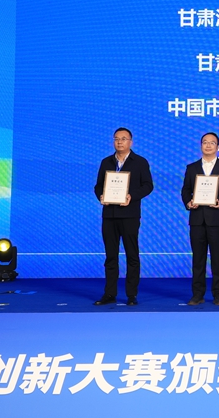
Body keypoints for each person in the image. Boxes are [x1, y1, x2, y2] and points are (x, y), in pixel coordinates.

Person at [93, 127, 154, 306]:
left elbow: (148, 185)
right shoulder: (106, 162)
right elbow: (98, 186)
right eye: (116, 139)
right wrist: (101, 196)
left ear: (130, 142)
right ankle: (109, 293)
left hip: (130, 215)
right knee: (110, 256)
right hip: (109, 215)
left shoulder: (140, 162)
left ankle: (131, 295)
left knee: (132, 255)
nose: (119, 142)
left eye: (123, 139)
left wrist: (131, 196)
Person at [181, 132, 219, 306]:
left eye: (212, 143)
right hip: (197, 219)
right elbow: (185, 190)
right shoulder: (192, 168)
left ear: (217, 147)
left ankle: (218, 295)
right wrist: (188, 202)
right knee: (198, 259)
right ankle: (197, 295)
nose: (208, 145)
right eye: (205, 142)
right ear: (201, 145)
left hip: (217, 220)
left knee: (217, 259)